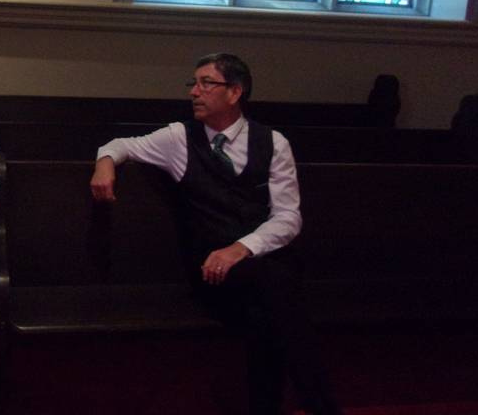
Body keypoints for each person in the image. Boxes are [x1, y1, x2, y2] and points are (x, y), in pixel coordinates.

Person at [90, 53, 341, 415]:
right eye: (193, 83)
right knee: (279, 295)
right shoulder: (179, 138)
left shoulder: (273, 143)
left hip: (256, 263)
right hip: (211, 272)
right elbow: (121, 144)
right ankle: (322, 407)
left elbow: (288, 218)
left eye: (207, 83)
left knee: (264, 313)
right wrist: (104, 164)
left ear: (235, 91)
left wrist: (240, 249)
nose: (195, 92)